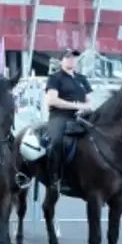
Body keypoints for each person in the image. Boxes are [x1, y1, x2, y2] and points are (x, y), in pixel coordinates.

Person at [44, 48, 93, 190]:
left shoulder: (82, 79)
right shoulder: (55, 78)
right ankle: (55, 178)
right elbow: (52, 100)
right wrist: (74, 105)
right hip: (60, 116)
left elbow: (90, 101)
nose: (71, 59)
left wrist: (85, 107)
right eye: (68, 57)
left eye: (74, 57)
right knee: (56, 141)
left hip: (81, 116)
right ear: (61, 60)